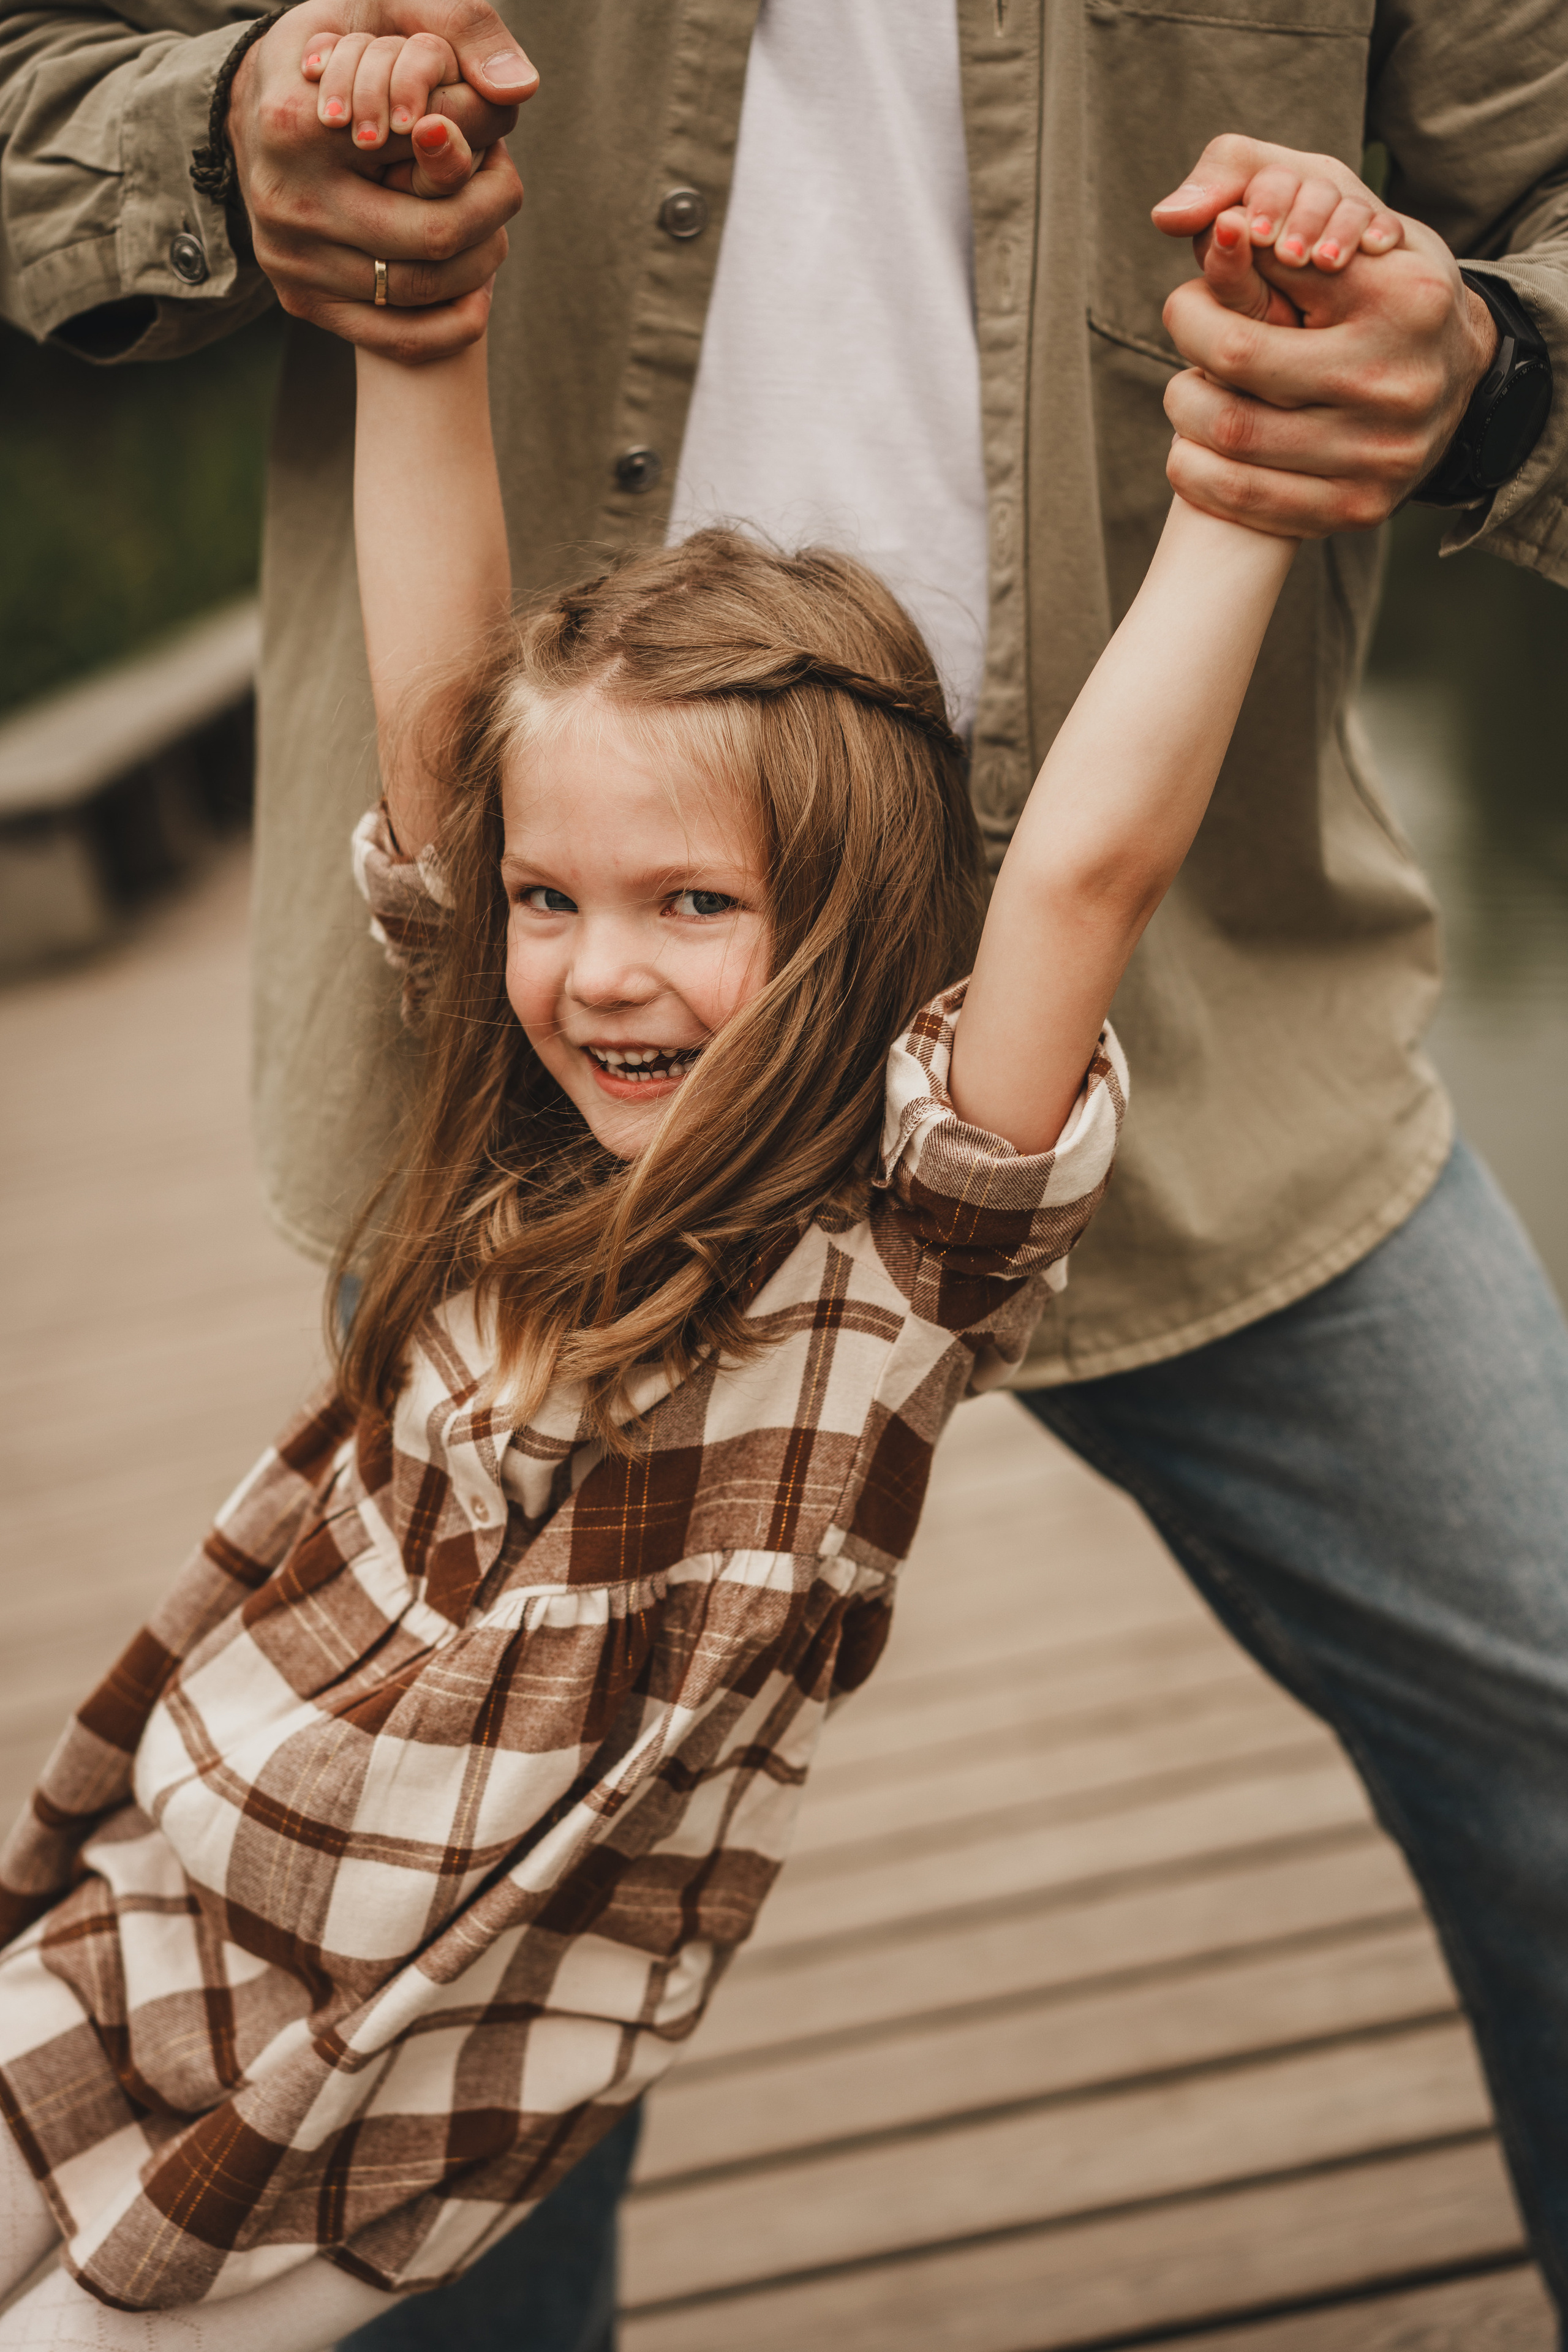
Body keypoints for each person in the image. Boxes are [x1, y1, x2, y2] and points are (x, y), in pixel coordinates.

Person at [4, 0, 1568, 2340]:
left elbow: (1086, 868)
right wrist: (397, 291)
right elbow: (443, 714)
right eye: (550, 902)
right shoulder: (498, 1075)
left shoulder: (907, 1236)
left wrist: (1255, 485)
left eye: (682, 911)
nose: (601, 973)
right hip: (174, 1888)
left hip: (405, 2052)